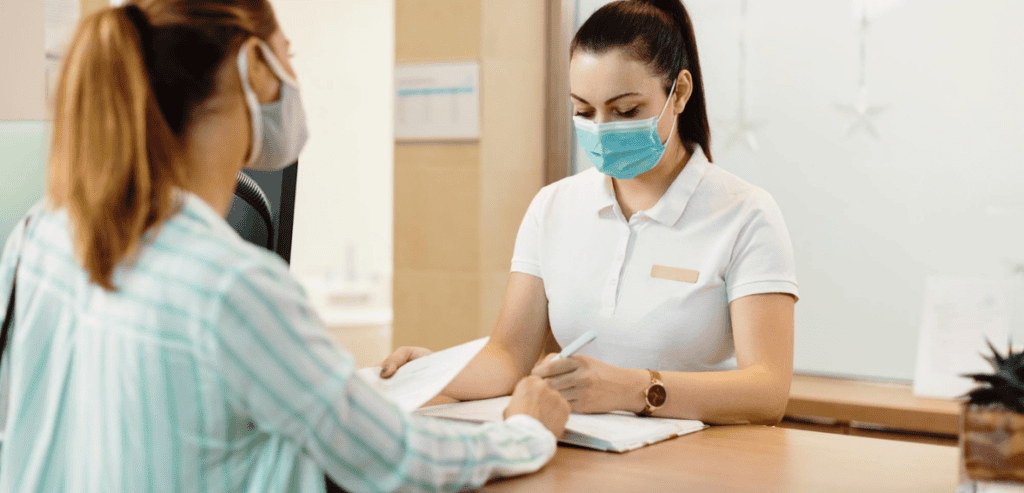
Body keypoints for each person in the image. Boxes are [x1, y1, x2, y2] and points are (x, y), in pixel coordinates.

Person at [0, 1, 570, 492]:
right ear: (256, 67)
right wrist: (524, 432)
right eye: (287, 53)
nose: (294, 76)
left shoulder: (41, 231)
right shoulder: (229, 283)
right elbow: (395, 460)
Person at [381, 0, 798, 425]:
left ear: (681, 93)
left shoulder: (745, 214)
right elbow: (508, 356)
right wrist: (435, 372)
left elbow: (766, 391)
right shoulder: (553, 207)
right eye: (583, 110)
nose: (601, 128)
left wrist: (633, 389)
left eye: (626, 110)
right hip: (582, 456)